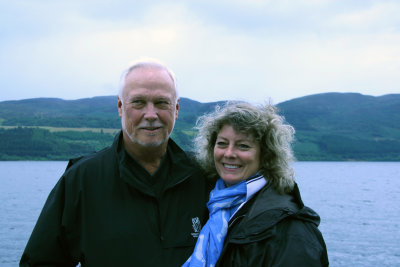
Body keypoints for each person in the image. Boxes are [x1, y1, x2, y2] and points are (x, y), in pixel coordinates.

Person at [20, 60, 211, 267]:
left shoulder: (205, 176)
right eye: (138, 102)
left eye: (161, 103)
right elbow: (40, 262)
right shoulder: (82, 180)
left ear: (176, 108)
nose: (150, 115)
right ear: (120, 106)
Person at [183, 102, 329, 267]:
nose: (229, 153)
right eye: (222, 143)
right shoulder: (215, 205)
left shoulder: (291, 230)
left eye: (243, 146)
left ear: (266, 154)